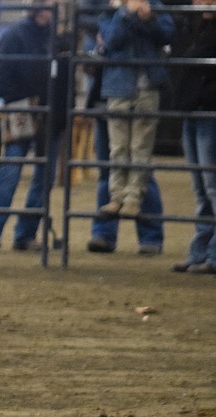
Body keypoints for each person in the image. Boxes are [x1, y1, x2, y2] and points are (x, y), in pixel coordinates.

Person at [0, 2, 69, 253]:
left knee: (43, 177)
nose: (48, 9)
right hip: (23, 112)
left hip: (50, 116)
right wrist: (25, 100)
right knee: (11, 172)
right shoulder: (15, 35)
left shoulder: (56, 40)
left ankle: (25, 233)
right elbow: (0, 78)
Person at [96, 0, 174, 220]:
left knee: (141, 147)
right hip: (119, 86)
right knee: (118, 146)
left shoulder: (156, 7)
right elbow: (112, 40)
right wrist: (125, 14)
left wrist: (148, 20)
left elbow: (167, 35)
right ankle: (117, 196)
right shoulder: (111, 12)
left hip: (146, 86)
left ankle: (133, 198)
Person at [172, 0, 216, 274]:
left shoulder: (201, 31)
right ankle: (200, 252)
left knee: (211, 187)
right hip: (193, 111)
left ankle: (211, 255)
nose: (203, 3)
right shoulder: (196, 26)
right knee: (201, 189)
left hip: (209, 113)